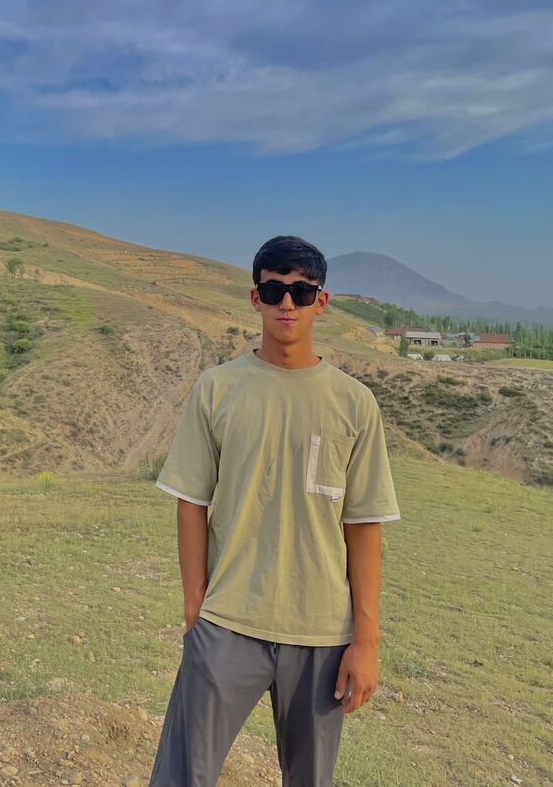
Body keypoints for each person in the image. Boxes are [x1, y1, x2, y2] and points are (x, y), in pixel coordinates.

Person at [148, 235, 401, 787]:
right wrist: (196, 605)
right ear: (255, 298)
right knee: (183, 774)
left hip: (322, 631)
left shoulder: (355, 403)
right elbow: (191, 500)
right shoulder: (217, 389)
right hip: (228, 620)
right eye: (274, 290)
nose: (288, 303)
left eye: (301, 291)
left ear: (321, 301)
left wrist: (366, 640)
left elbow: (363, 525)